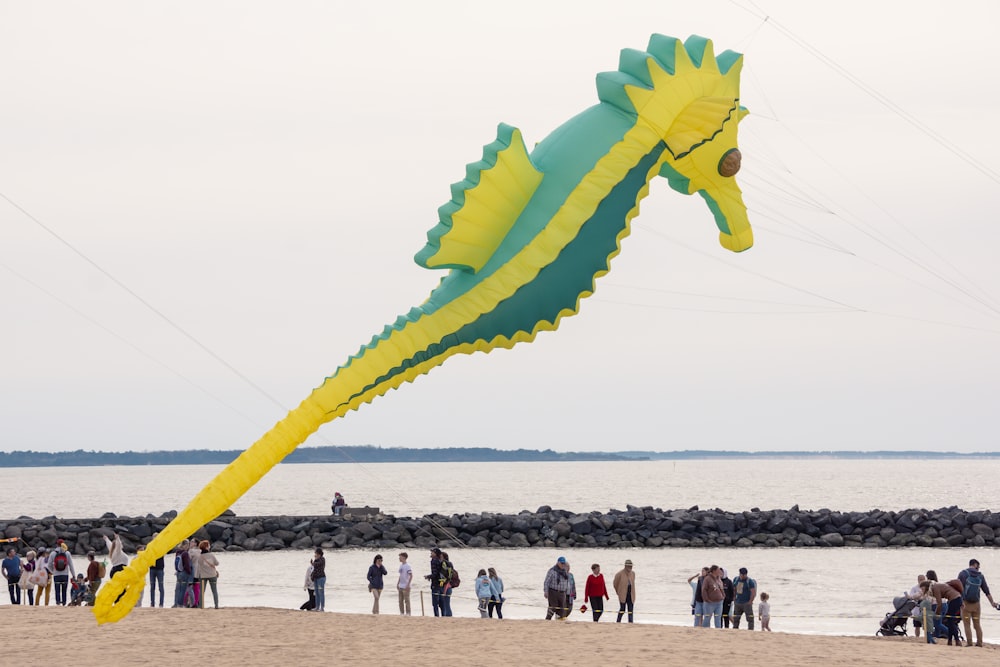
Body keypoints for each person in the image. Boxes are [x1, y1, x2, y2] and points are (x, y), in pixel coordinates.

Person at [958, 558, 998, 647]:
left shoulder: (963, 574)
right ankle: (979, 643)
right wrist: (992, 603)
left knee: (967, 624)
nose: (978, 568)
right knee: (977, 624)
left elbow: (958, 588)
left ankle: (969, 643)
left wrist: (959, 602)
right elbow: (986, 590)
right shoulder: (980, 576)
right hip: (976, 604)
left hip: (965, 604)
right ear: (975, 564)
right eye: (978, 566)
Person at [920, 578, 962, 645]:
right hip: (955, 599)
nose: (922, 590)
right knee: (950, 621)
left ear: (926, 586)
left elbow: (939, 604)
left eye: (922, 589)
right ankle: (950, 640)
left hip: (954, 600)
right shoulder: (935, 586)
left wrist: (937, 614)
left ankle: (957, 640)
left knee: (951, 621)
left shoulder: (935, 588)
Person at [195, 540, 219, 609]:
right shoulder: (211, 555)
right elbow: (217, 563)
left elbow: (199, 566)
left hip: (203, 576)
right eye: (208, 545)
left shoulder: (200, 557)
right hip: (212, 575)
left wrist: (196, 576)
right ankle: (216, 605)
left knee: (202, 592)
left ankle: (201, 606)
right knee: (214, 591)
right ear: (206, 547)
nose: (209, 546)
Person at [613, 559, 636, 623]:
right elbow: (615, 584)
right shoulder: (619, 574)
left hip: (631, 594)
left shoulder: (633, 573)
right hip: (623, 594)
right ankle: (618, 621)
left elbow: (633, 583)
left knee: (630, 610)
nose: (630, 568)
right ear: (625, 566)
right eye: (629, 566)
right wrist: (618, 592)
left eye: (631, 566)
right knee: (622, 609)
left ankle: (630, 622)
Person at [425, 547, 443, 617]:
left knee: (435, 602)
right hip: (441, 582)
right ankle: (443, 615)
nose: (431, 553)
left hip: (435, 583)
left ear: (435, 554)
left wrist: (428, 576)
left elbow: (435, 573)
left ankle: (436, 615)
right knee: (441, 601)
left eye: (432, 552)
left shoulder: (434, 561)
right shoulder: (440, 560)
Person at [173, 540, 191, 608]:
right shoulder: (185, 553)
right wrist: (189, 572)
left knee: (179, 589)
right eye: (188, 545)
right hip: (184, 573)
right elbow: (186, 564)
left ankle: (177, 603)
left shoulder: (178, 552)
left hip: (178, 572)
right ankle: (180, 604)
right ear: (185, 545)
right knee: (183, 590)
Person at [148, 536, 165, 608]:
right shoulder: (150, 547)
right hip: (152, 568)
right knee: (152, 587)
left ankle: (161, 603)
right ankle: (152, 603)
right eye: (154, 538)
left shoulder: (161, 546)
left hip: (160, 569)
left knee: (161, 587)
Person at [439, 552, 455, 617]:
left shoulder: (444, 563)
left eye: (441, 557)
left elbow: (443, 576)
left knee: (445, 603)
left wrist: (441, 584)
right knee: (446, 603)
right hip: (449, 585)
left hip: (446, 586)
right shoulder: (450, 564)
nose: (440, 558)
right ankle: (447, 615)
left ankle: (448, 615)